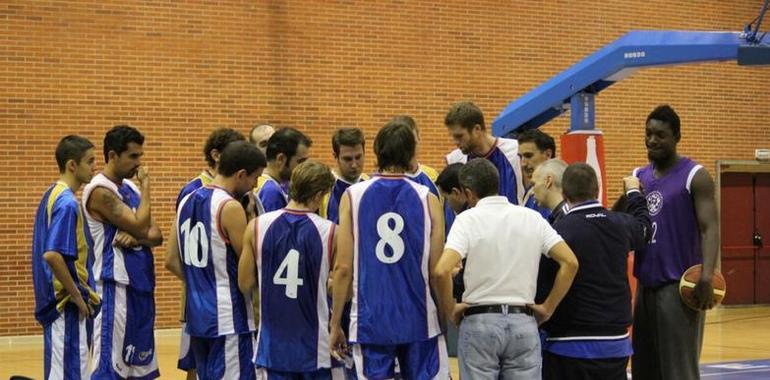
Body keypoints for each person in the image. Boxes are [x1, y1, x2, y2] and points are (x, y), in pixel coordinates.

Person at [431, 158, 578, 379]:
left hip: (480, 321)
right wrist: (548, 308)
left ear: (469, 193)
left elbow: (442, 271)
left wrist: (450, 309)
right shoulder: (532, 218)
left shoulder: (467, 220)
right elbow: (570, 262)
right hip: (523, 321)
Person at [329, 120, 450, 379]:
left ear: (375, 152)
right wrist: (443, 314)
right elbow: (438, 270)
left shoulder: (352, 196)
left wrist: (335, 322)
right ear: (411, 154)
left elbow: (343, 268)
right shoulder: (429, 199)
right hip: (419, 316)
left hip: (371, 318)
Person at [631, 105, 720, 380]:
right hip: (645, 285)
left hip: (678, 287)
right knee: (644, 368)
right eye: (648, 134)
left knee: (678, 371)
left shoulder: (695, 175)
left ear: (677, 136)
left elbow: (710, 228)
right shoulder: (638, 177)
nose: (652, 140)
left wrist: (707, 275)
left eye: (660, 135)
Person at [165, 141, 265, 380]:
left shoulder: (187, 200)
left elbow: (170, 260)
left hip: (197, 317)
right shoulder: (230, 207)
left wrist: (202, 281)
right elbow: (250, 265)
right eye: (255, 179)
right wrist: (251, 217)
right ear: (241, 174)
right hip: (229, 320)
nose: (254, 186)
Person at [541, 163, 651, 380]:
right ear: (597, 188)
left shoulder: (556, 232)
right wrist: (633, 193)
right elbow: (645, 227)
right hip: (615, 344)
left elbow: (542, 284)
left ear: (563, 193)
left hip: (567, 345)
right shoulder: (621, 224)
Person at [239, 161, 345, 378]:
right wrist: (335, 323)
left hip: (272, 345)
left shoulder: (256, 226)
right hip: (315, 345)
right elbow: (344, 281)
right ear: (318, 195)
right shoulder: (332, 232)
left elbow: (245, 283)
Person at [84, 125, 163, 379]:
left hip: (140, 286)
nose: (139, 163)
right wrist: (147, 186)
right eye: (133, 156)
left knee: (139, 369)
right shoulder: (100, 191)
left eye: (140, 155)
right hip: (113, 287)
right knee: (109, 369)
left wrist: (138, 234)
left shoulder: (130, 188)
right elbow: (143, 225)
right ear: (112, 155)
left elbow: (157, 234)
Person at [174, 127, 246, 378]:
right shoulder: (211, 196)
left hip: (200, 307)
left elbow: (171, 258)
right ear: (217, 156)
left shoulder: (194, 198)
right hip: (224, 310)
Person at [32, 135, 100, 380]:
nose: (95, 167)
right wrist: (78, 297)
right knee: (70, 374)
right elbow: (52, 255)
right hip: (66, 306)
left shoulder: (51, 194)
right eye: (90, 161)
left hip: (57, 303)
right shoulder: (68, 203)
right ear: (73, 165)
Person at [444, 101, 525, 205]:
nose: (455, 142)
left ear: (477, 129)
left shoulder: (516, 151)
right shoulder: (454, 160)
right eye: (453, 137)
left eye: (459, 136)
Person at [530, 159, 570, 304]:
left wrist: (548, 306)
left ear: (548, 181)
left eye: (534, 184)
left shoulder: (567, 221)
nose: (531, 191)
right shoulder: (555, 219)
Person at [255, 127, 312, 212]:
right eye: (300, 162)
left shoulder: (260, 181)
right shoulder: (271, 192)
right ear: (281, 159)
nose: (304, 167)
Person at [320, 127, 368, 224]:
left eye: (358, 157)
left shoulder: (370, 184)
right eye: (348, 159)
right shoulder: (323, 188)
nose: (354, 165)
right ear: (335, 156)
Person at [517, 129, 557, 218]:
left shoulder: (560, 192)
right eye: (520, 157)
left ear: (548, 155)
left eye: (528, 156)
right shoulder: (530, 192)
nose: (523, 164)